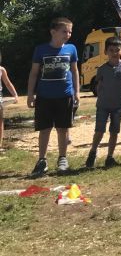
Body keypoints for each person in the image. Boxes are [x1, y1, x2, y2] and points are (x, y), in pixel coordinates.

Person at [27, 17, 80, 176]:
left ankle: (62, 159)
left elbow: (75, 71)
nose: (68, 34)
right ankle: (42, 161)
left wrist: (77, 92)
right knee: (44, 129)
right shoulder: (41, 50)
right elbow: (34, 73)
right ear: (53, 32)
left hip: (65, 95)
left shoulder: (71, 49)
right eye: (64, 31)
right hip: (44, 96)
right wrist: (30, 94)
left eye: (70, 31)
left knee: (63, 129)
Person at [86, 37, 121, 168]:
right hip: (103, 106)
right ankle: (93, 152)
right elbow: (98, 86)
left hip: (118, 106)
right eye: (111, 50)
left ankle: (110, 157)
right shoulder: (101, 69)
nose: (114, 53)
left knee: (114, 132)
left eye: (117, 50)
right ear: (106, 52)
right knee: (99, 131)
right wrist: (102, 95)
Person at [0, 50, 19, 150]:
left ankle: (0, 143)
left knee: (0, 120)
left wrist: (15, 95)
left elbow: (8, 83)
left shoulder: (1, 69)